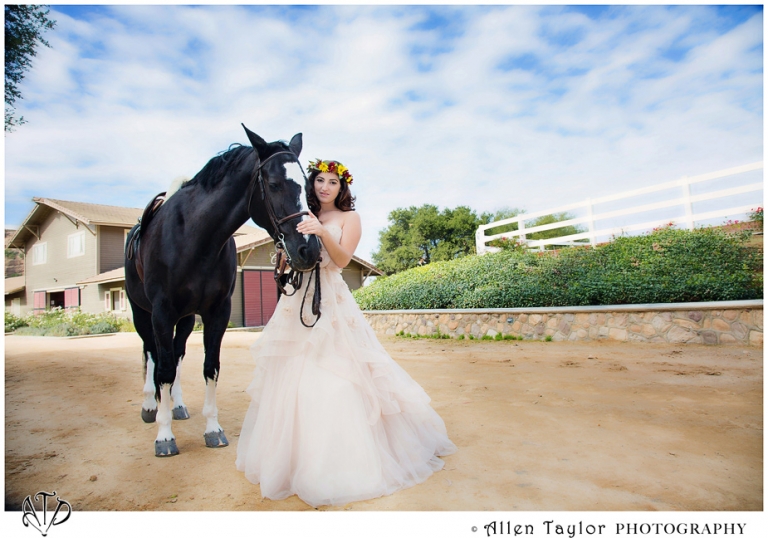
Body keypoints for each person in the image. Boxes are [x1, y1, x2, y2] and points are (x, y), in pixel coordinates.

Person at [235, 158, 457, 507]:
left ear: (342, 188)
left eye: (332, 182)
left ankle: (341, 463)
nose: (325, 187)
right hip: (297, 301)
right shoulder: (301, 214)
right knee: (292, 377)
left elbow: (340, 261)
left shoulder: (348, 219)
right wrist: (284, 255)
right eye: (320, 180)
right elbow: (294, 259)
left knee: (337, 377)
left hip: (332, 302)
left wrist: (323, 233)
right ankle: (293, 460)